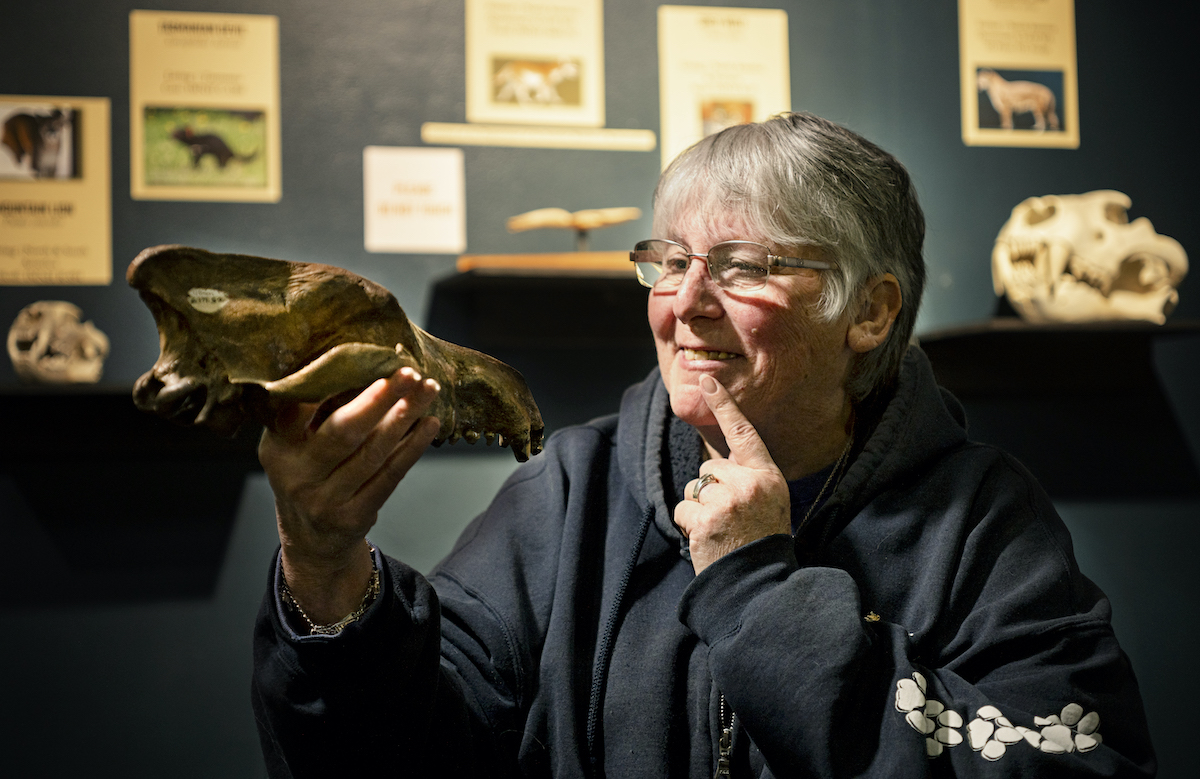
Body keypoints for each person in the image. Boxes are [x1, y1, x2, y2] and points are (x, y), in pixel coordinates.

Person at [252, 112, 1155, 777]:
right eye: (670, 260)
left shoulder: (983, 516)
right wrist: (326, 569)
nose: (685, 301)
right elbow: (411, 751)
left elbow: (1078, 760)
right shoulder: (575, 488)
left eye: (744, 265)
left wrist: (760, 589)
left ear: (870, 311)